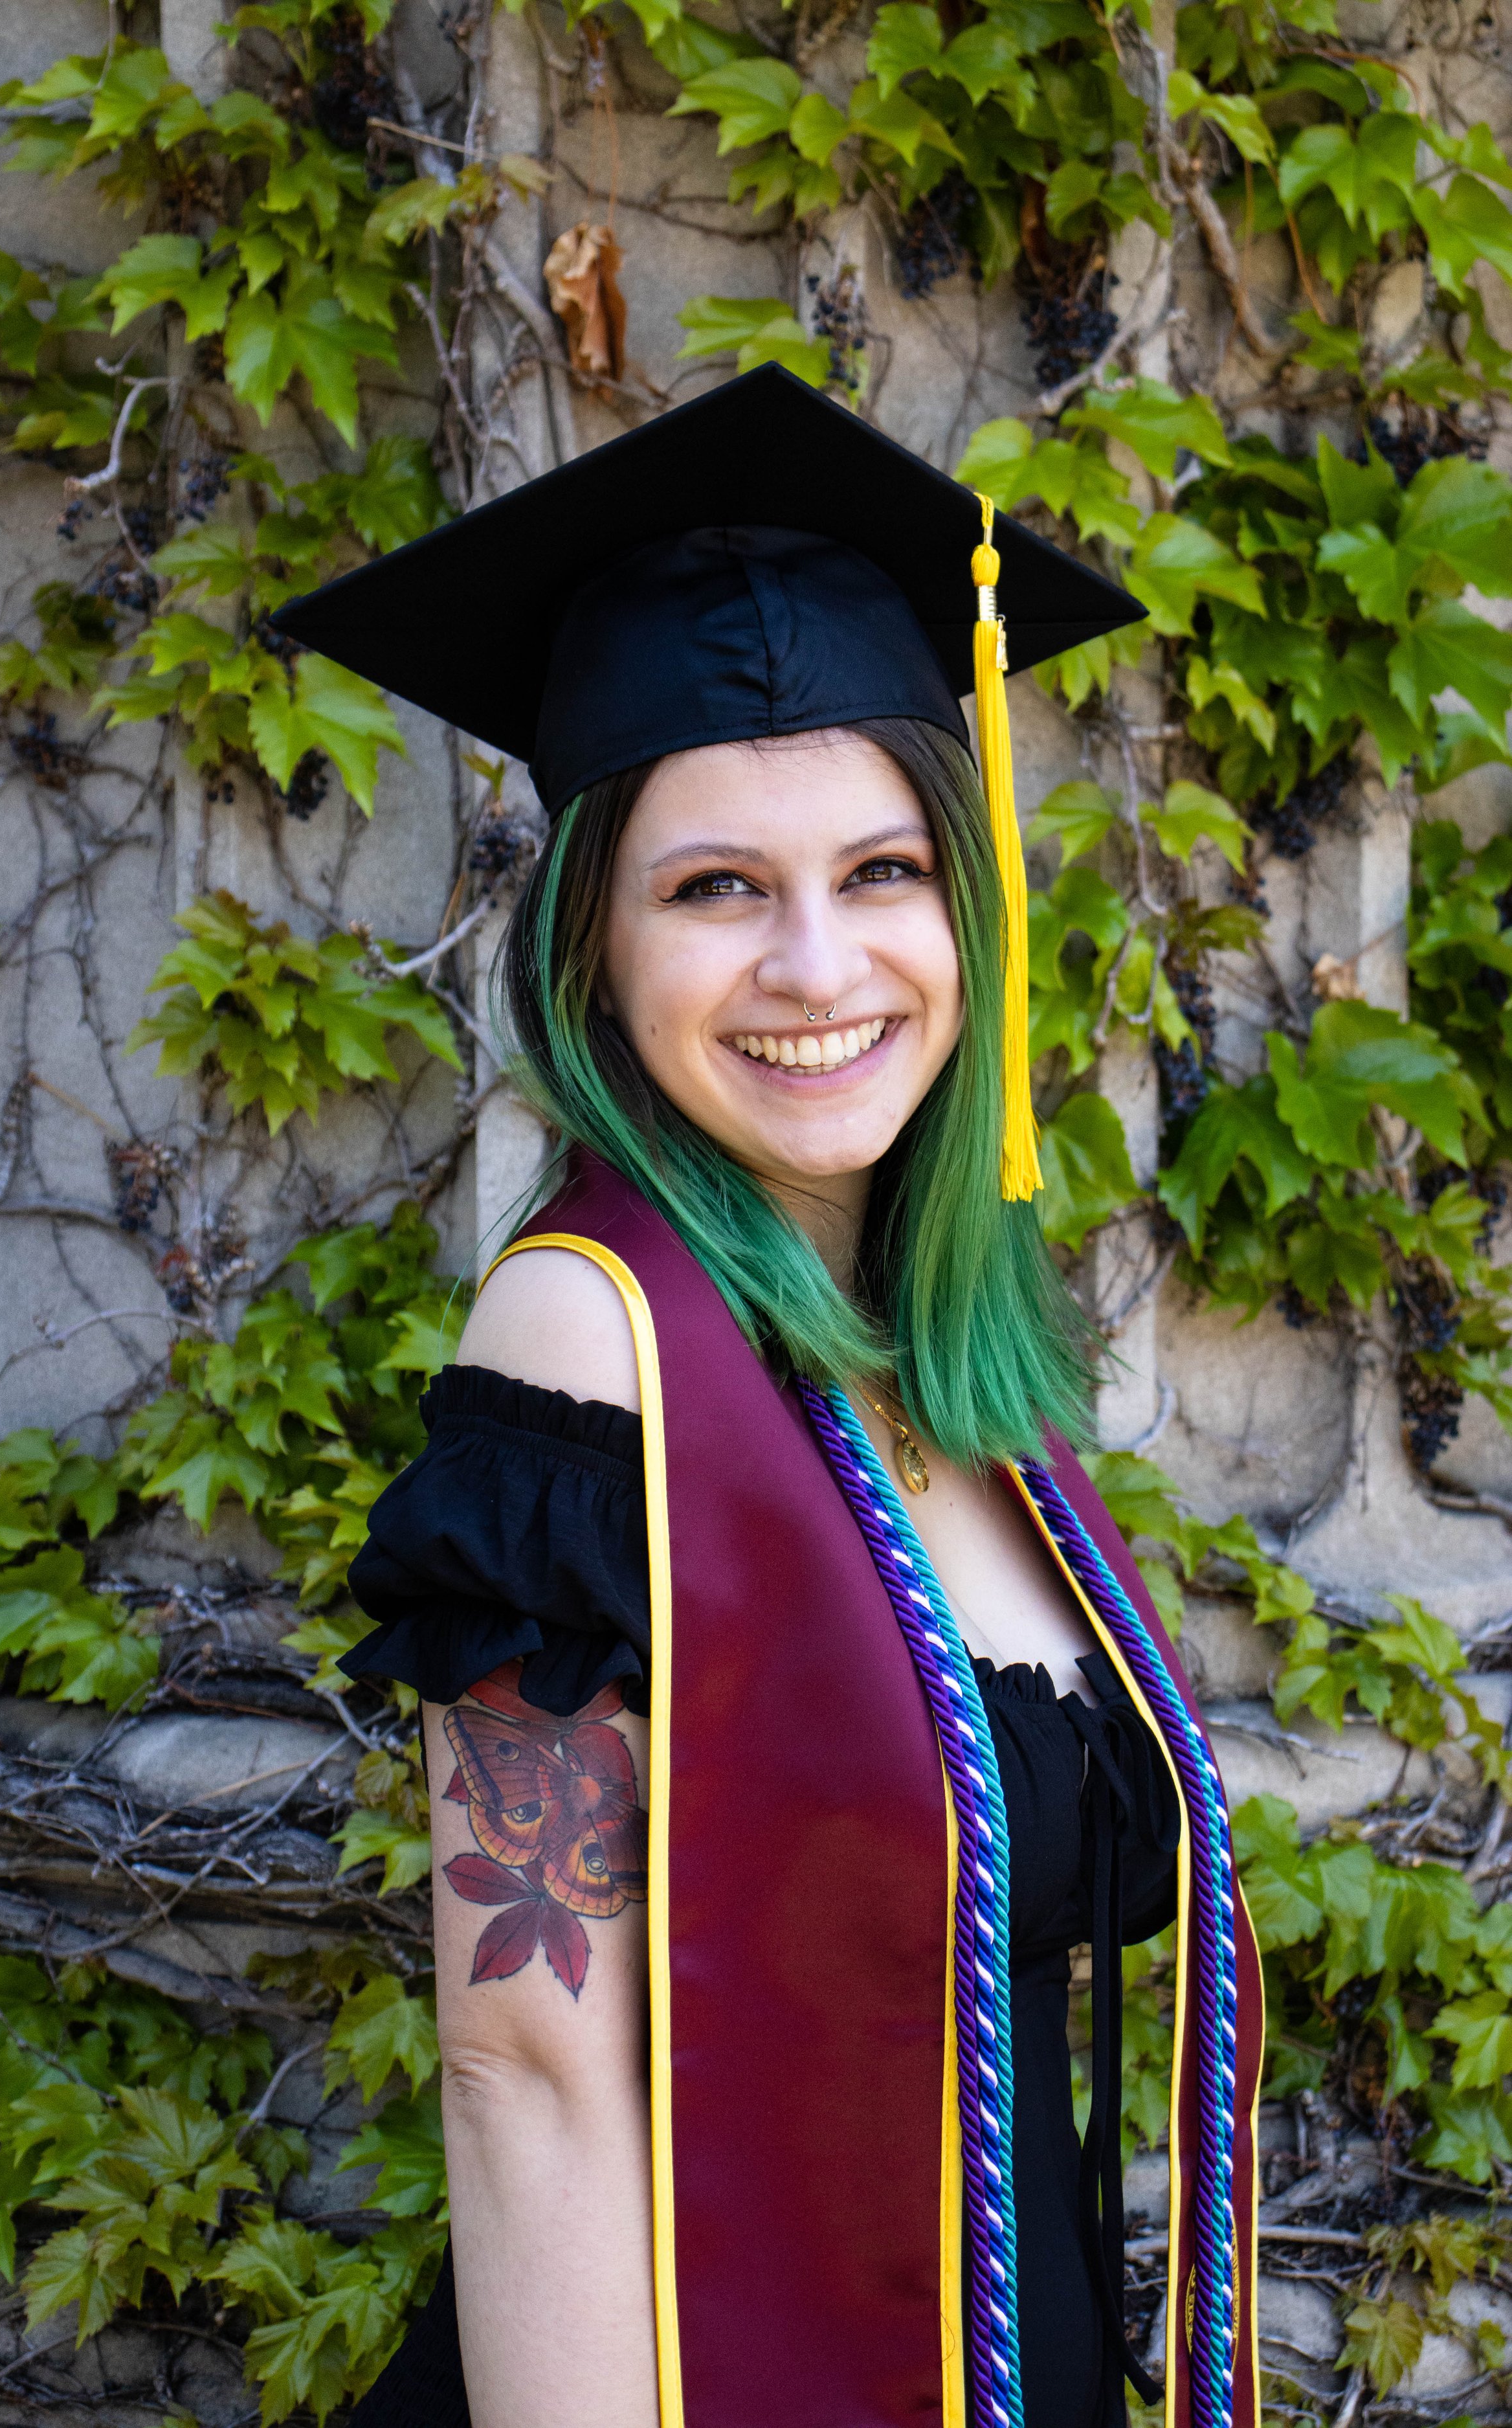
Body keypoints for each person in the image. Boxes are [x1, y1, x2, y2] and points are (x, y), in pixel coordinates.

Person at [274, 366, 1265, 2428]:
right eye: (715, 886)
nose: (818, 966)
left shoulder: (938, 1363)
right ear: (594, 947)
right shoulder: (587, 1345)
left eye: (880, 870)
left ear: (964, 907)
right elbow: (526, 2068)